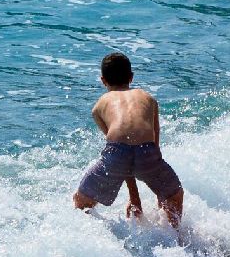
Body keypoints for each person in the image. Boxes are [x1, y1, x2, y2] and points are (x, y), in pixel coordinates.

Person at [73, 52, 185, 240]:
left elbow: (122, 154)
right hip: (148, 151)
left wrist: (134, 197)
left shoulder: (99, 106)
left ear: (102, 80)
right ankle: (174, 239)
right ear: (131, 77)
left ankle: (97, 244)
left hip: (117, 153)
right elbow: (154, 147)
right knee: (174, 195)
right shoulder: (148, 99)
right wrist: (161, 189)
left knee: (81, 201)